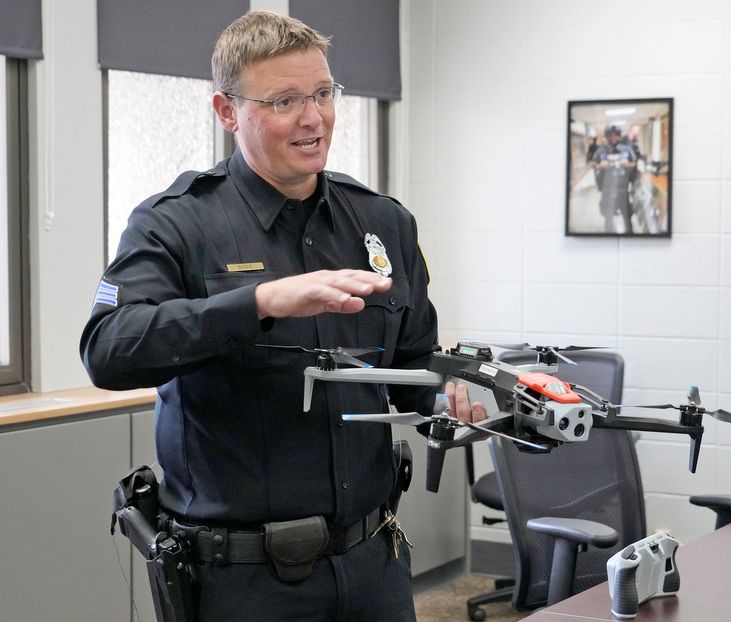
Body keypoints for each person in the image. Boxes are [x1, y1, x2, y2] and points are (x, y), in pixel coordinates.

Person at [80, 11, 485, 622]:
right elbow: (108, 349)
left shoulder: (382, 223)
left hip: (372, 564)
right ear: (226, 111)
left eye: (323, 93)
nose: (313, 118)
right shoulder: (176, 224)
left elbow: (413, 362)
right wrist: (259, 303)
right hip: (243, 582)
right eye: (285, 100)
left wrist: (454, 394)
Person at [591, 125, 637, 233]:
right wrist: (600, 166)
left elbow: (635, 164)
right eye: (610, 136)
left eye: (616, 135)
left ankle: (630, 237)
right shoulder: (601, 150)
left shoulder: (627, 150)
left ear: (620, 136)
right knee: (608, 217)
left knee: (627, 216)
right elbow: (593, 164)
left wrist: (628, 165)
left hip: (623, 190)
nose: (613, 138)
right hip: (607, 190)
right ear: (607, 137)